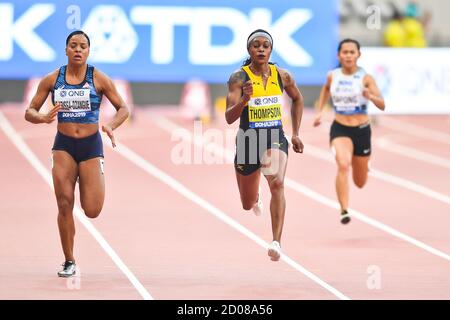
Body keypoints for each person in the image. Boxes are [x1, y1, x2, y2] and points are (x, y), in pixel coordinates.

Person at [24, 30, 129, 277]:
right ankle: (69, 260)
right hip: (64, 146)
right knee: (63, 204)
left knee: (92, 209)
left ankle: (93, 181)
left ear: (88, 51)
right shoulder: (52, 79)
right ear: (66, 50)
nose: (78, 50)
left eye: (83, 46)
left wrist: (111, 125)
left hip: (91, 147)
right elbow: (30, 110)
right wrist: (42, 118)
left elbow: (123, 108)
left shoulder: (98, 78)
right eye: (73, 45)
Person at [225, 29, 304, 261]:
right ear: (249, 50)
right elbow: (229, 117)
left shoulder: (283, 76)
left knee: (277, 183)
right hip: (248, 140)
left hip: (274, 138)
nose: (261, 49)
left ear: (271, 50)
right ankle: (254, 195)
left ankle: (276, 242)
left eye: (265, 45)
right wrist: (244, 101)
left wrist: (296, 133)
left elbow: (297, 99)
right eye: (256, 45)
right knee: (247, 204)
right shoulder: (239, 78)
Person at [313, 39, 385, 224]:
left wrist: (371, 96)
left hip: (361, 130)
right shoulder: (332, 76)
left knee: (360, 182)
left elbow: (382, 104)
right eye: (344, 52)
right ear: (339, 55)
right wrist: (320, 111)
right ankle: (344, 209)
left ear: (358, 55)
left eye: (352, 52)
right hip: (340, 128)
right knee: (343, 164)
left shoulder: (366, 78)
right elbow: (325, 91)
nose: (348, 56)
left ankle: (364, 164)